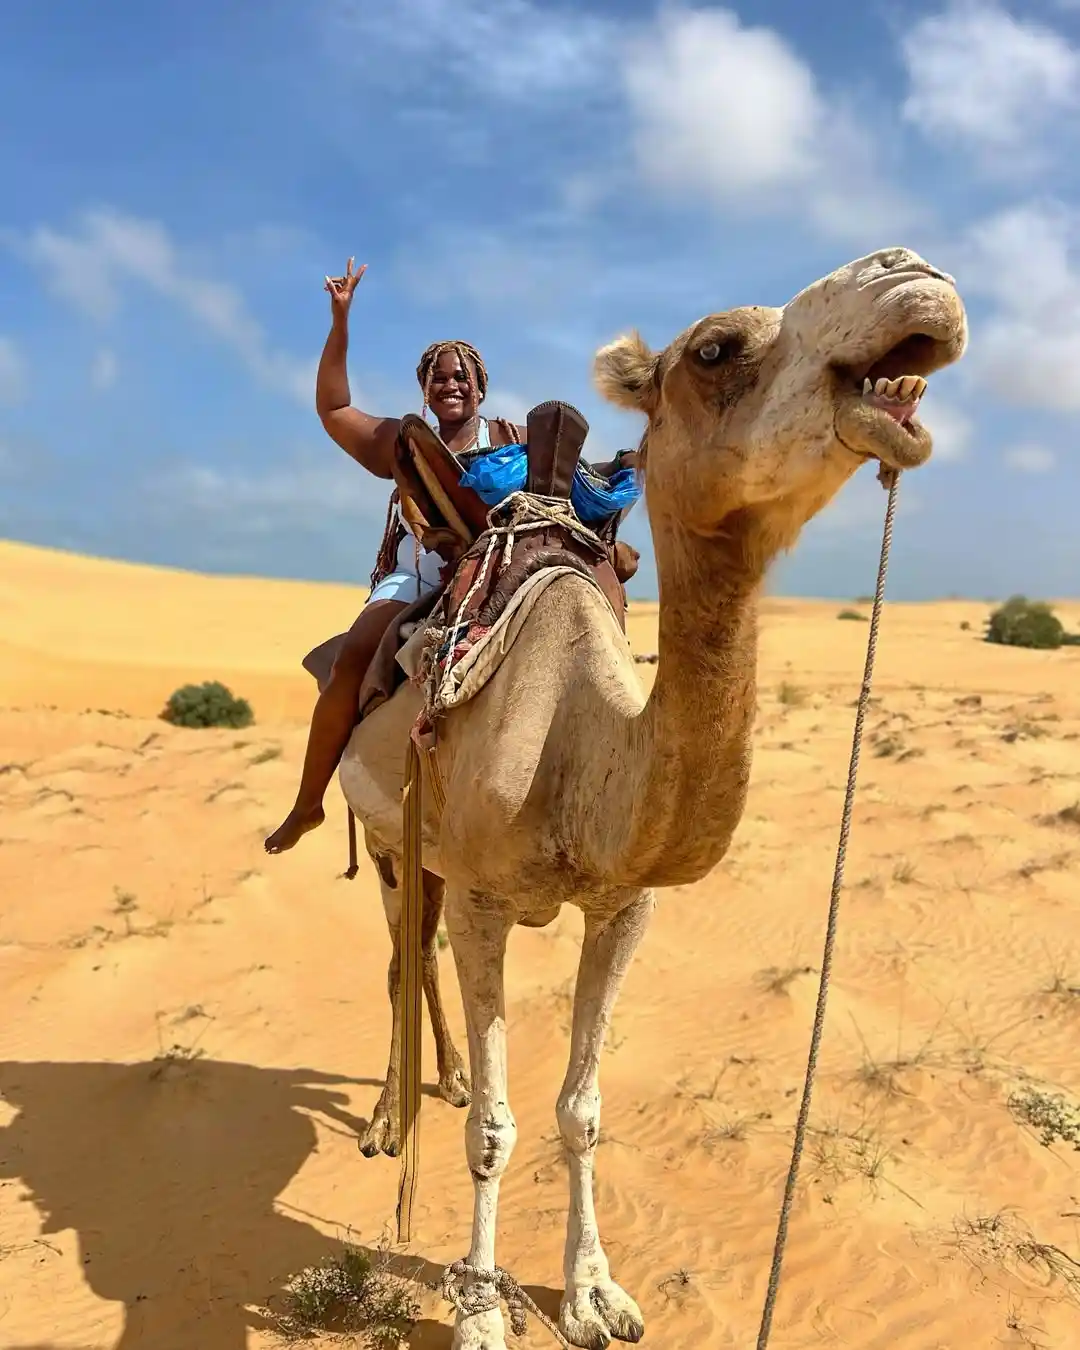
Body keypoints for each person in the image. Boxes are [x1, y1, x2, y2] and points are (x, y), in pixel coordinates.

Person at [264, 259, 638, 856]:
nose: (451, 384)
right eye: (439, 378)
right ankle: (309, 805)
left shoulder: (514, 440)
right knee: (350, 664)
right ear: (426, 390)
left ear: (481, 388)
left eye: (462, 377)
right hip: (416, 581)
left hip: (497, 572)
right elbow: (333, 409)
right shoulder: (405, 444)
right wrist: (340, 322)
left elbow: (569, 485)